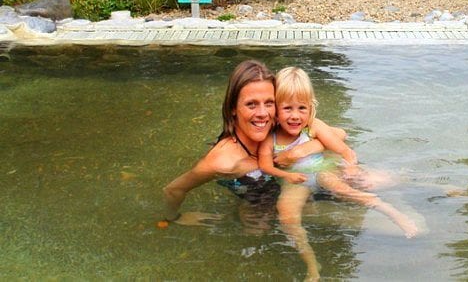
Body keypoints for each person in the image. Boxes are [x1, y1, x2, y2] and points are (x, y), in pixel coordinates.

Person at [257, 67, 419, 281]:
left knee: (341, 186)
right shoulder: (271, 138)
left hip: (322, 169)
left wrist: (350, 167)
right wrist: (286, 175)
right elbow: (266, 166)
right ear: (275, 109)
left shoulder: (313, 127)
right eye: (287, 108)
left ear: (310, 107)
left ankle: (391, 212)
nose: (295, 116)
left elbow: (344, 150)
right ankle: (312, 265)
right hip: (296, 180)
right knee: (286, 214)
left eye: (302, 108)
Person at [162, 60, 332, 226]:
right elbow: (173, 189)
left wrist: (300, 151)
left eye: (269, 103)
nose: (263, 113)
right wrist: (175, 218)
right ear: (233, 108)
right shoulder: (223, 161)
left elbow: (339, 134)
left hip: (299, 184)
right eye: (251, 104)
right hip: (260, 201)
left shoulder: (280, 124)